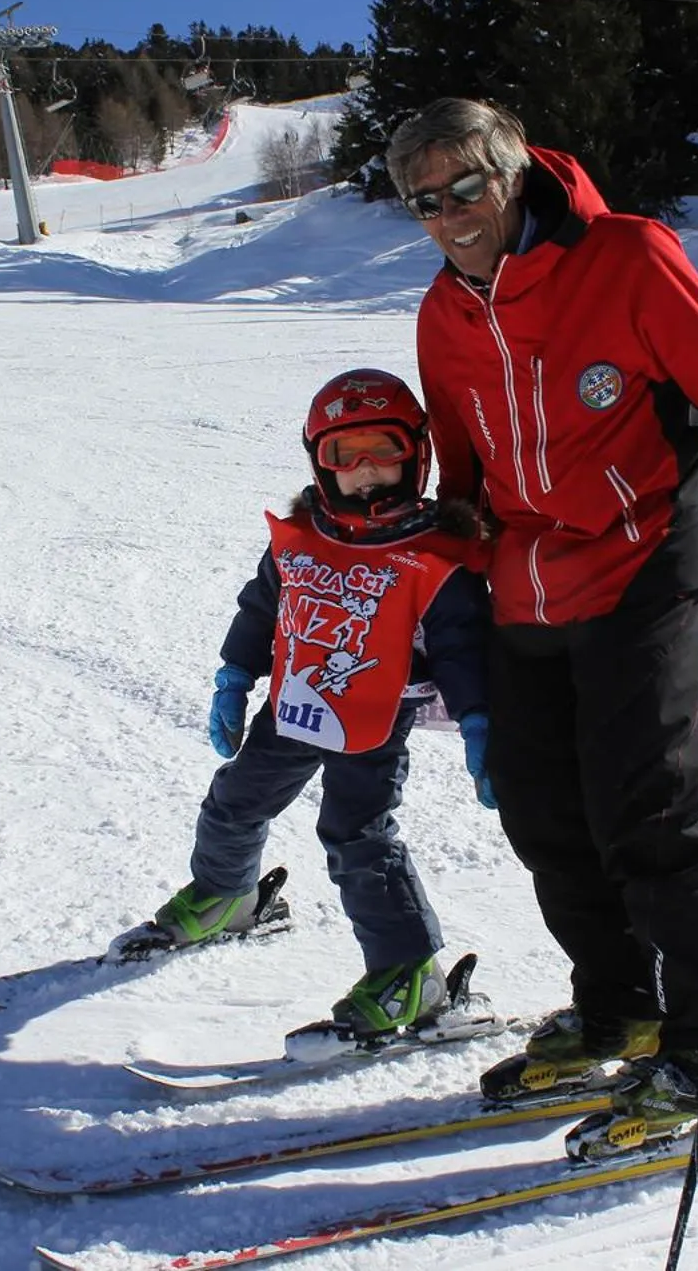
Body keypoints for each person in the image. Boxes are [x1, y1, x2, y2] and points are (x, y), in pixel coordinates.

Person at [384, 98, 698, 1155]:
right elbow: (462, 467)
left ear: (512, 173)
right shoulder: (441, 313)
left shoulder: (626, 257)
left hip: (641, 565)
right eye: (425, 202)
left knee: (649, 820)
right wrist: (428, 559)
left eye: (466, 188)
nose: (450, 216)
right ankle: (620, 1008)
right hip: (523, 589)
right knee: (546, 817)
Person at [134, 368, 495, 1052]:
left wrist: (479, 717)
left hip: (375, 714)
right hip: (297, 700)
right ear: (319, 462)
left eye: (383, 450)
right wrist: (236, 673)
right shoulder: (302, 537)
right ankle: (227, 896)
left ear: (415, 454)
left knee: (357, 833)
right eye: (344, 454)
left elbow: (461, 644)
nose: (365, 470)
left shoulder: (432, 554)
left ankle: (410, 974)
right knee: (235, 799)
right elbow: (261, 606)